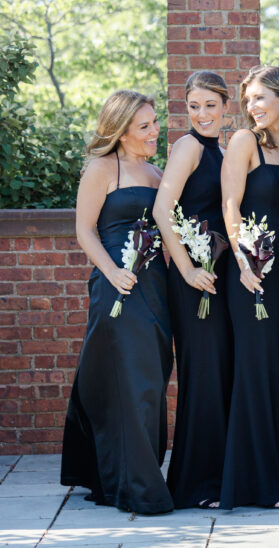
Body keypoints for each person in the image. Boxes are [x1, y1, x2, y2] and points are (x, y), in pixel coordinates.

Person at [61, 90, 173, 515]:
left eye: (155, 123)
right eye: (144, 126)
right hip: (117, 288)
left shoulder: (158, 173)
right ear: (121, 130)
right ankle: (138, 487)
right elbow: (84, 230)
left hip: (155, 286)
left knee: (154, 378)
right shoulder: (102, 168)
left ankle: (127, 472)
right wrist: (112, 272)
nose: (154, 131)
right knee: (132, 381)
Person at [219, 65, 279, 509]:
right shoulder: (244, 142)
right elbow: (230, 204)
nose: (252, 107)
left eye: (260, 98)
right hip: (253, 271)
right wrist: (242, 259)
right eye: (248, 99)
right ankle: (258, 483)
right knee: (257, 370)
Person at [151, 71, 233, 509]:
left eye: (210, 105)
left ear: (225, 106)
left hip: (219, 275)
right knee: (202, 375)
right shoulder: (187, 147)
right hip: (194, 278)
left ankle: (218, 476)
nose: (202, 114)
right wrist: (184, 268)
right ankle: (198, 484)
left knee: (219, 373)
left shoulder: (223, 148)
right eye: (194, 106)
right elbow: (163, 209)